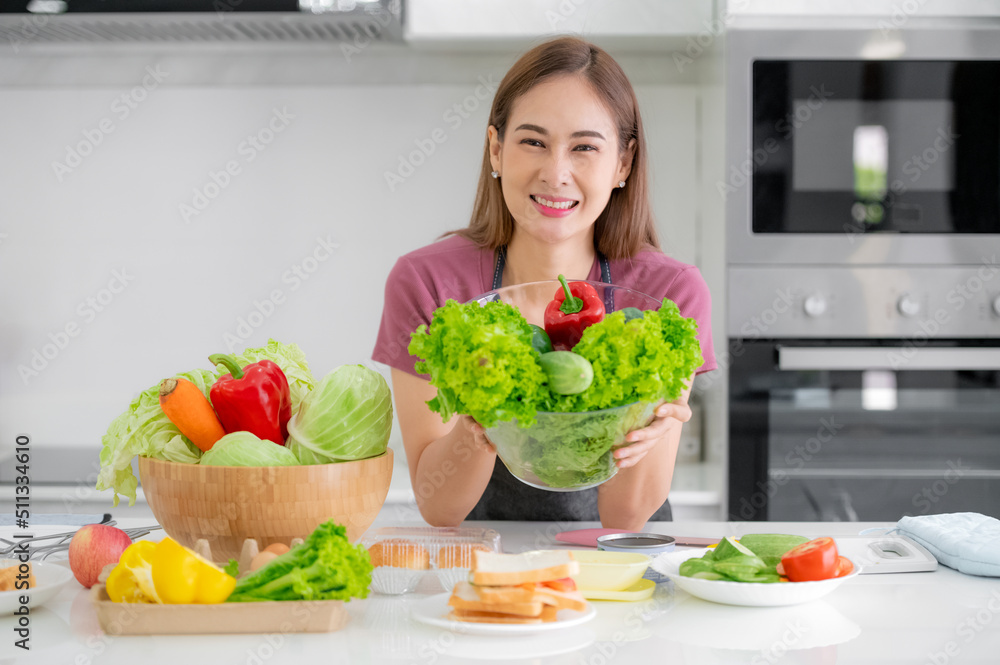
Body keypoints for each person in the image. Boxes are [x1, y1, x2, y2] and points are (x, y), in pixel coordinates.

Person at [372, 36, 716, 531]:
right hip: (483, 572)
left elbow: (625, 517)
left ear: (623, 163)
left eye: (584, 148)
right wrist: (477, 429)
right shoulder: (428, 282)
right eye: (533, 142)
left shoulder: (670, 293)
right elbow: (439, 506)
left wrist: (645, 432)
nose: (556, 174)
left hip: (619, 574)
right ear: (496, 149)